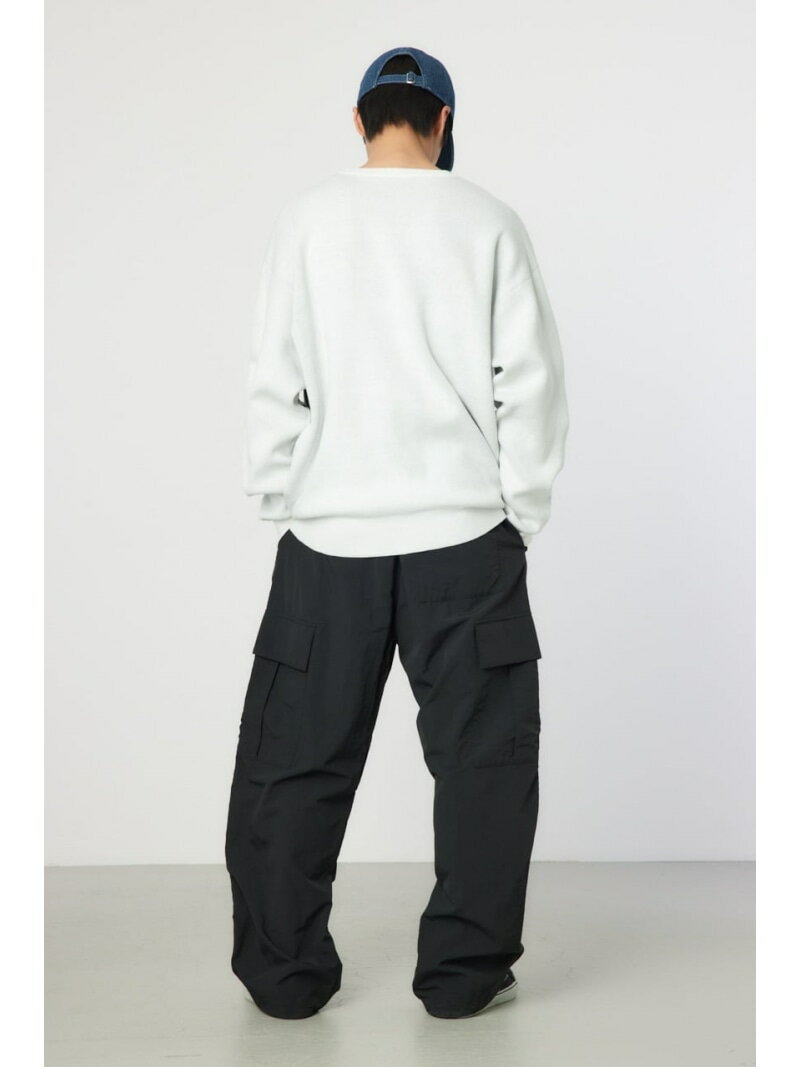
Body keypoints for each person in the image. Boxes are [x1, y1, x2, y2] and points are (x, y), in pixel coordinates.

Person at [224, 44, 569, 1021]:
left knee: (293, 761)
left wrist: (285, 498)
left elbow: (273, 374)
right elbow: (529, 382)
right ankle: (462, 977)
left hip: (328, 540)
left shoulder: (306, 220)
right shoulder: (487, 220)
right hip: (464, 537)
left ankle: (284, 975)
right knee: (483, 762)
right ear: (443, 122)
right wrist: (517, 511)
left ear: (359, 118)